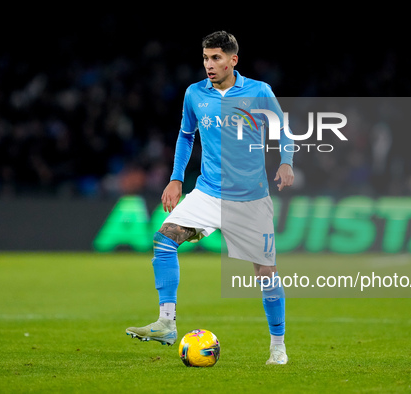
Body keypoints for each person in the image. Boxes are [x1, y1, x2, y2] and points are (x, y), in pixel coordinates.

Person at [126, 30, 294, 365]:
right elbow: (186, 136)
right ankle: (167, 323)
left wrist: (286, 162)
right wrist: (176, 179)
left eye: (216, 58)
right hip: (207, 192)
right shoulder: (194, 95)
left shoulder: (259, 92)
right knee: (164, 240)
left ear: (233, 59)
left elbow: (283, 131)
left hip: (250, 199)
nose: (209, 64)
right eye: (205, 58)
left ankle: (278, 346)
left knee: (266, 273)